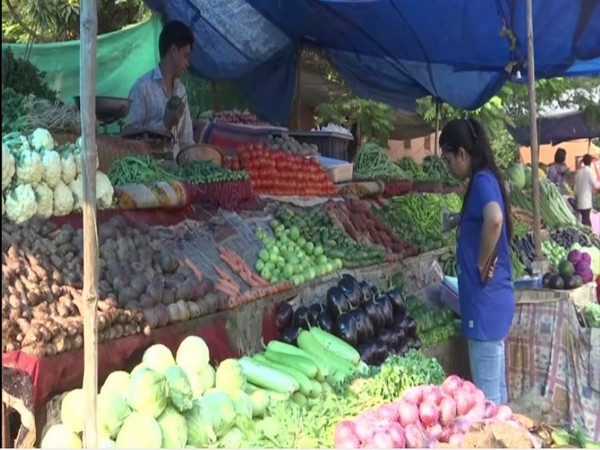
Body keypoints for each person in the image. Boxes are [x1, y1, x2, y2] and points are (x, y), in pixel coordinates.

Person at [439, 118, 514, 405]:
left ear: (462, 153)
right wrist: (460, 220)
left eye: (448, 160)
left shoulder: (482, 180)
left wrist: (482, 262)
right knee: (498, 399)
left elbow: (494, 219)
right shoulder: (486, 177)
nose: (448, 167)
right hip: (491, 304)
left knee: (487, 404)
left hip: (485, 307)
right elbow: (485, 217)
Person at [125, 20, 196, 162]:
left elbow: (186, 140)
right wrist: (164, 124)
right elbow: (129, 138)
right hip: (149, 173)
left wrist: (197, 163)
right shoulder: (142, 88)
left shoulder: (180, 90)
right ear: (174, 51)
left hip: (176, 173)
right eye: (185, 56)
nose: (187, 63)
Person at [574, 154, 600, 227]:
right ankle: (588, 235)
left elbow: (575, 188)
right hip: (586, 201)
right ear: (590, 162)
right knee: (586, 221)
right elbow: (596, 185)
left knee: (583, 219)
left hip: (579, 200)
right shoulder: (589, 172)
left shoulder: (578, 173)